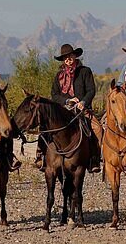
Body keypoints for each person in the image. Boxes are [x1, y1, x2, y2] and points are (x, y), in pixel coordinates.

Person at [42, 43, 102, 173]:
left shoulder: (85, 71)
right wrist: (67, 100)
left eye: (70, 56)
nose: (68, 59)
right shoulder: (59, 75)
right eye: (65, 57)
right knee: (45, 126)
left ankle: (94, 159)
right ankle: (41, 157)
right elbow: (54, 94)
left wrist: (83, 102)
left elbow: (91, 90)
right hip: (63, 110)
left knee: (97, 128)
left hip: (81, 109)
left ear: (75, 56)